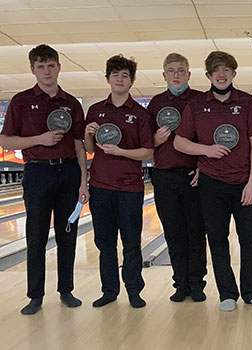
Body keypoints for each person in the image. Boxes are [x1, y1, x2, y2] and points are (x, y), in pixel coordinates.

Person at [174, 51, 252, 312]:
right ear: (208, 75)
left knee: (251, 238)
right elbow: (179, 141)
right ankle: (227, 293)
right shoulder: (196, 106)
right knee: (217, 238)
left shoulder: (248, 103)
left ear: (234, 74)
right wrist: (206, 150)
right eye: (216, 71)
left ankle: (251, 291)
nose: (222, 74)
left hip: (243, 183)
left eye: (227, 70)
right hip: (212, 184)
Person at [0, 44, 89, 315]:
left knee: (68, 234)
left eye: (51, 65)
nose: (47, 70)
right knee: (36, 235)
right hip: (37, 172)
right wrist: (39, 139)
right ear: (32, 69)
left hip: (69, 172)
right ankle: (35, 296)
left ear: (59, 67)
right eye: (41, 66)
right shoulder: (20, 101)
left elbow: (78, 144)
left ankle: (66, 290)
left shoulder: (72, 103)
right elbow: (5, 139)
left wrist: (84, 181)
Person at [84, 55, 154, 308]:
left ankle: (134, 290)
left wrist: (121, 152)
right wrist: (88, 134)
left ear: (132, 81)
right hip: (100, 186)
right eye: (115, 74)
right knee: (105, 243)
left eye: (125, 75)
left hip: (129, 188)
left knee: (131, 242)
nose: (120, 79)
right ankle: (109, 291)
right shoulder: (95, 111)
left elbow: (148, 151)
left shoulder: (140, 114)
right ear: (108, 79)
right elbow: (90, 149)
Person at [146, 53, 207, 302]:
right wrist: (155, 140)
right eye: (171, 71)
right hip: (163, 176)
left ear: (189, 74)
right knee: (173, 233)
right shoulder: (156, 103)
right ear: (164, 75)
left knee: (196, 233)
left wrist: (203, 168)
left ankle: (197, 284)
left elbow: (209, 138)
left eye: (181, 70)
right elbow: (144, 143)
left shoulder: (201, 99)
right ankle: (180, 284)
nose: (176, 75)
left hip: (193, 176)